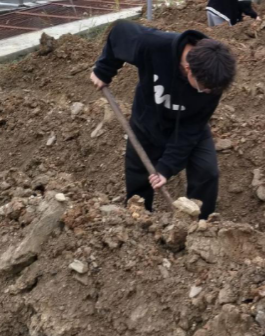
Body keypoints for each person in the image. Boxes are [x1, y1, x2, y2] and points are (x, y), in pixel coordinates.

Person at [90, 20, 237, 220]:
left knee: (207, 171)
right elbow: (120, 32)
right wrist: (103, 70)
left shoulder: (213, 81)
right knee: (138, 178)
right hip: (148, 120)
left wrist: (165, 169)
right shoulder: (155, 45)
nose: (207, 93)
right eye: (203, 89)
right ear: (188, 68)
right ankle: (139, 221)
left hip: (187, 124)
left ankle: (201, 225)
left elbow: (190, 130)